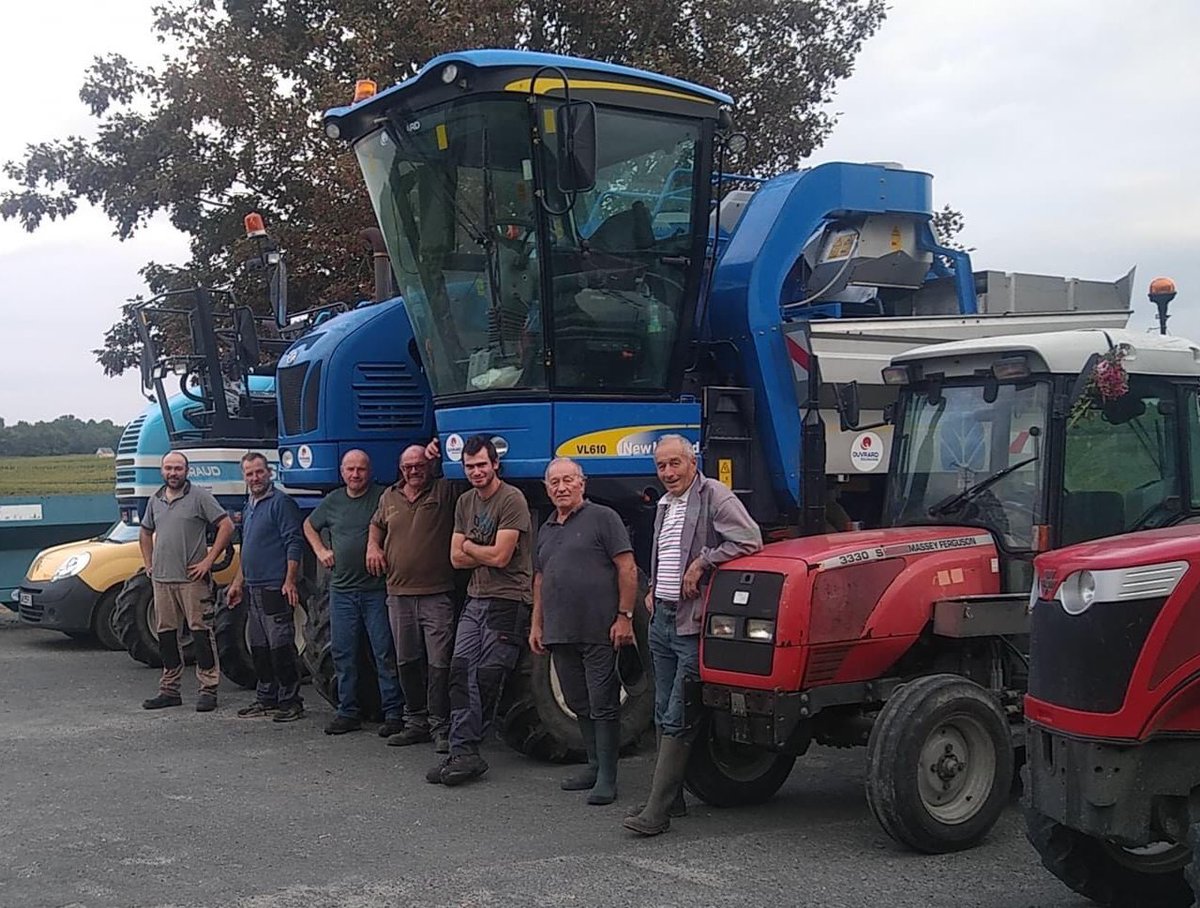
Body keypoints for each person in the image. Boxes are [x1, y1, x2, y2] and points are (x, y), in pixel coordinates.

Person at [623, 435, 762, 836]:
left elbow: (749, 539)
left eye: (674, 464)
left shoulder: (714, 494)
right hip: (662, 618)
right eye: (661, 466)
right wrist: (654, 590)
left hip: (691, 623)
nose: (667, 473)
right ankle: (672, 798)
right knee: (662, 707)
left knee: (679, 712)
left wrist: (703, 562)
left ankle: (657, 812)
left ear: (692, 461)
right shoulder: (666, 504)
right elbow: (665, 553)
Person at [426, 435, 533, 787]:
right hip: (476, 597)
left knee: (488, 676)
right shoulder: (466, 502)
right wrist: (476, 551)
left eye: (482, 465)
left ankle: (469, 749)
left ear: (495, 464)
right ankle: (461, 751)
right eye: (470, 466)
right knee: (459, 672)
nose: (476, 471)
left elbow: (501, 557)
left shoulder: (512, 499)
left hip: (508, 599)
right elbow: (454, 559)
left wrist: (470, 546)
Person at [529, 458, 636, 806]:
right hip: (560, 631)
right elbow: (541, 579)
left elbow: (627, 567)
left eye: (568, 480)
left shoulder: (604, 518)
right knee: (578, 702)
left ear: (582, 483)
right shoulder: (546, 528)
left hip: (599, 629)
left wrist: (625, 616)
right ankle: (592, 765)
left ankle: (608, 776)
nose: (561, 487)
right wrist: (537, 623)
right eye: (554, 482)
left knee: (604, 703)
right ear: (547, 488)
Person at [303, 449, 404, 737]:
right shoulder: (333, 500)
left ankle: (394, 713)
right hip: (342, 591)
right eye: (350, 469)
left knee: (384, 653)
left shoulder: (383, 497)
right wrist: (321, 551)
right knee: (343, 653)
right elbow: (308, 525)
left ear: (369, 471)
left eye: (360, 469)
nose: (355, 474)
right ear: (342, 472)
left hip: (375, 590)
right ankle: (348, 711)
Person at [366, 444, 460, 753]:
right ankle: (415, 722)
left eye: (420, 464)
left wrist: (438, 451)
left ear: (430, 465)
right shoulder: (389, 496)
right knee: (406, 661)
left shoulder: (445, 491)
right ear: (400, 468)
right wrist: (373, 547)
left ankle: (441, 726)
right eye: (408, 466)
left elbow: (459, 460)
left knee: (439, 664)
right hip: (398, 593)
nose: (414, 470)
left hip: (436, 594)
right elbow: (376, 525)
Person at [139, 451, 235, 713]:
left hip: (192, 580)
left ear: (187, 471)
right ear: (162, 471)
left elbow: (226, 525)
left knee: (201, 632)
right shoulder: (155, 500)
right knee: (167, 635)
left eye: (178, 468)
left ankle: (208, 688)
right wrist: (149, 563)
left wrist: (208, 561)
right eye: (169, 468)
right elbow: (145, 532)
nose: (173, 473)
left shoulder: (199, 497)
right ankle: (169, 689)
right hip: (162, 579)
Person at [225, 452, 306, 722]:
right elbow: (246, 550)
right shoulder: (249, 505)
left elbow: (294, 542)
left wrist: (290, 580)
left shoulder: (281, 503)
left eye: (259, 472)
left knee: (281, 646)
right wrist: (237, 583)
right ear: (244, 477)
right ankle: (266, 698)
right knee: (259, 647)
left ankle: (290, 701)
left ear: (269, 472)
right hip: (252, 588)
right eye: (249, 474)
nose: (255, 478)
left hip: (274, 587)